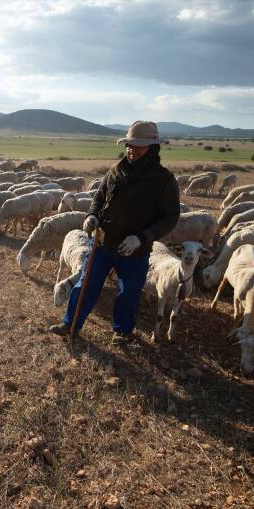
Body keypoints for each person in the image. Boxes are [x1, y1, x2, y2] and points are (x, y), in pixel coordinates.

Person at [49, 120, 181, 343]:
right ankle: (70, 322)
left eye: (138, 146)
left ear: (152, 147)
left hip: (134, 250)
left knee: (129, 291)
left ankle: (122, 330)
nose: (132, 149)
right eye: (129, 144)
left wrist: (141, 238)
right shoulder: (116, 171)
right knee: (86, 283)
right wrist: (91, 216)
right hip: (103, 241)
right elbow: (99, 198)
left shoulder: (164, 181)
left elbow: (170, 218)